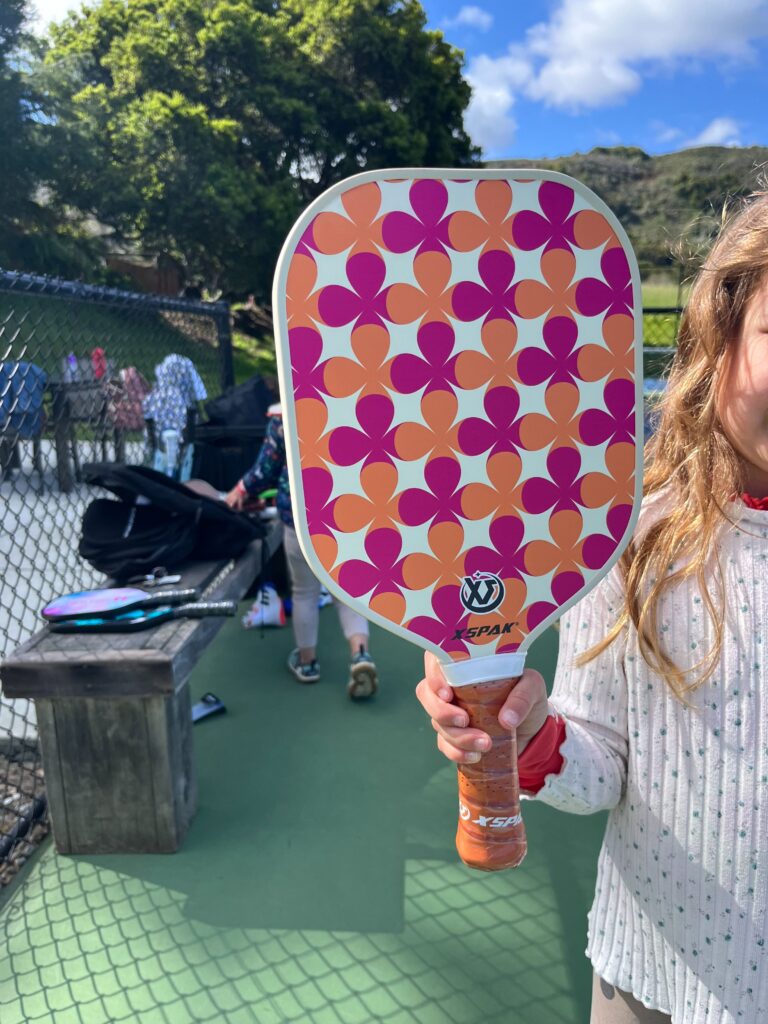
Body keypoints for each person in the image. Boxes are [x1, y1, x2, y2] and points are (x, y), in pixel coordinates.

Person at [415, 191, 768, 1024]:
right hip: (647, 982)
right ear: (716, 346)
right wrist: (529, 738)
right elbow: (598, 767)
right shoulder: (629, 540)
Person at [226, 405, 379, 699]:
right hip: (343, 515)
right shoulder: (345, 404)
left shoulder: (284, 415)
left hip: (300, 520)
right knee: (346, 593)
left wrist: (241, 490)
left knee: (304, 591)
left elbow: (265, 468)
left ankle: (308, 663)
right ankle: (361, 654)